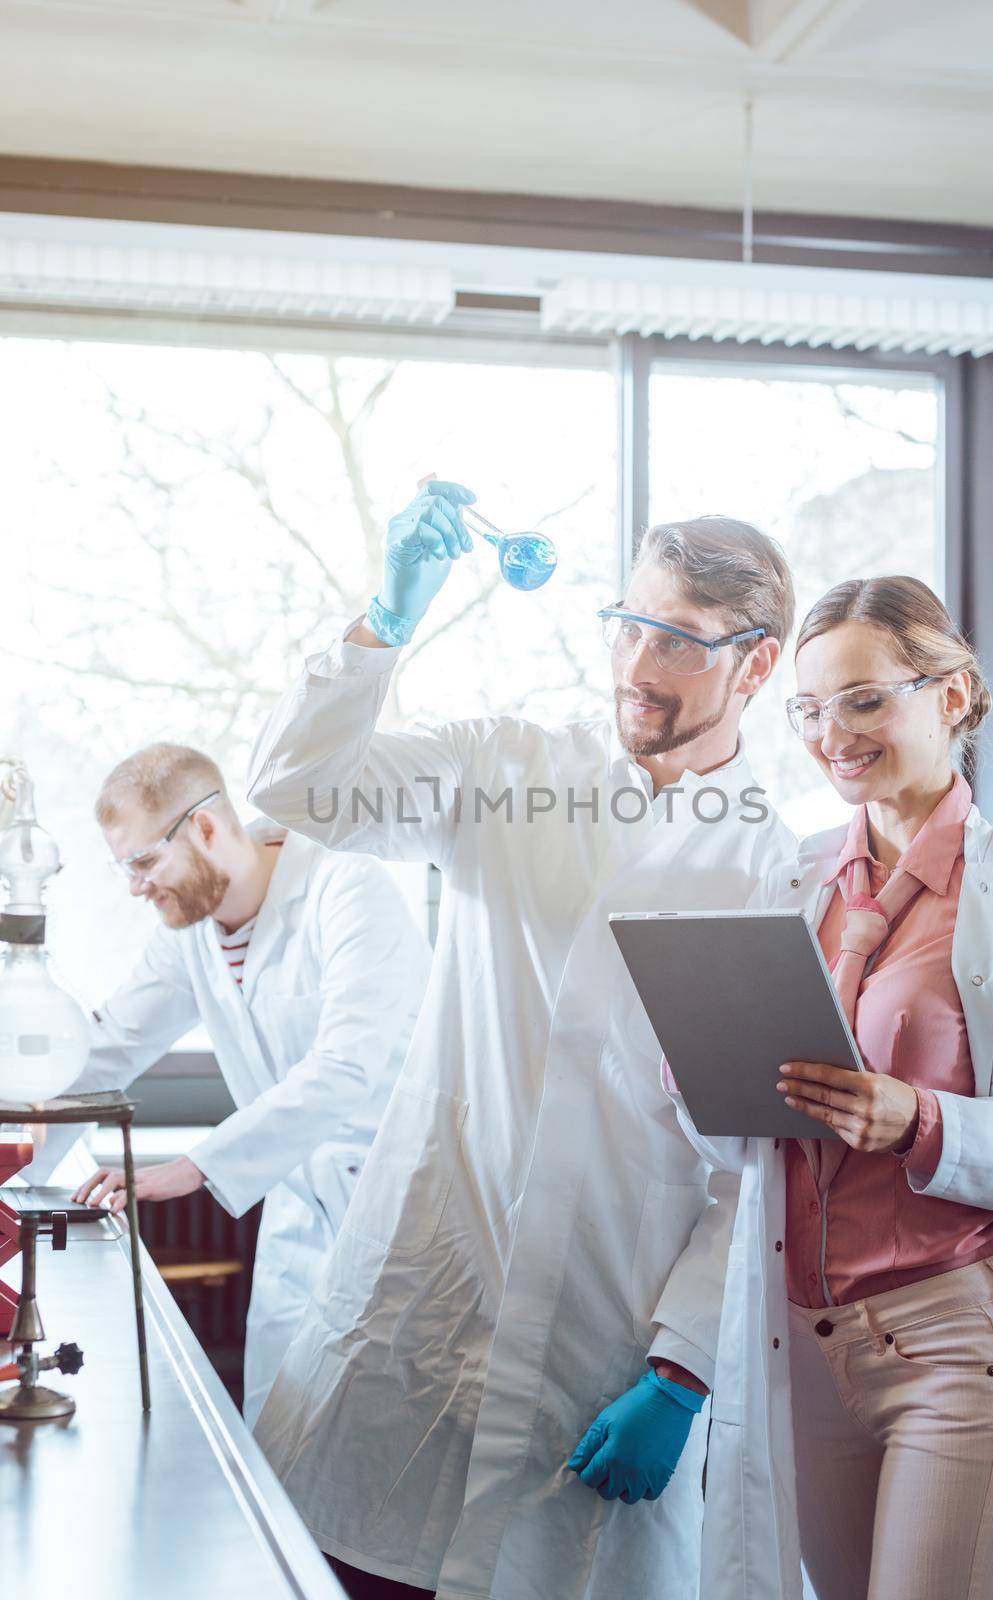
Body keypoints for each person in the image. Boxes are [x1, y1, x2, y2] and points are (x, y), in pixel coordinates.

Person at [245, 479, 797, 1600]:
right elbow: (299, 785)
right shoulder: (506, 769)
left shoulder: (766, 871)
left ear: (757, 664)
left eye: (679, 642)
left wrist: (681, 1370)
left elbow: (756, 1163)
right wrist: (383, 620)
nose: (637, 666)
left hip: (594, 1355)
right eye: (628, 624)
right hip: (415, 1310)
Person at [665, 576, 993, 1600]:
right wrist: (703, 1078)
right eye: (807, 707)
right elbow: (751, 1150)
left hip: (948, 1342)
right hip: (801, 1345)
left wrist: (919, 1120)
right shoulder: (791, 882)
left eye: (862, 699)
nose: (830, 734)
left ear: (954, 696)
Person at [24, 742, 430, 1426]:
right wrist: (14, 1173)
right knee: (282, 1437)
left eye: (144, 861)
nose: (135, 886)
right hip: (301, 1213)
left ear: (206, 827)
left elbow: (346, 1067)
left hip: (401, 1215)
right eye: (123, 867)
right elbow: (106, 1053)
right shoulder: (189, 934)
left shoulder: (346, 888)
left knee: (387, 1454)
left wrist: (192, 1167)